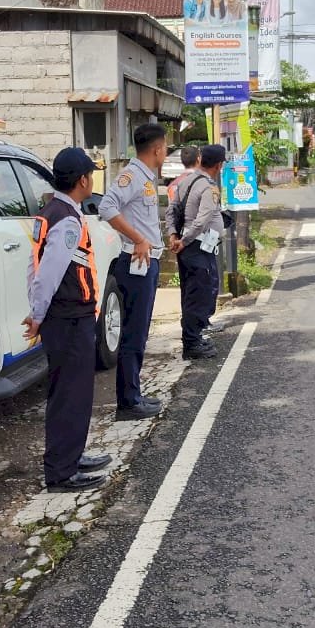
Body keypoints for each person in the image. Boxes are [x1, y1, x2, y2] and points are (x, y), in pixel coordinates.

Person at [23, 147, 112, 492]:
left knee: (73, 392)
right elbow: (48, 273)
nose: (92, 179)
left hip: (66, 317)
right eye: (91, 174)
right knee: (70, 395)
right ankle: (61, 471)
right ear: (82, 180)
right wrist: (37, 314)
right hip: (68, 317)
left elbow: (34, 267)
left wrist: (36, 310)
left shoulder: (52, 212)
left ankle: (71, 455)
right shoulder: (68, 221)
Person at [99, 123, 168, 419]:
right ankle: (127, 403)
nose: (166, 152)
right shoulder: (132, 175)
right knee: (134, 335)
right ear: (157, 149)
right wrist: (139, 239)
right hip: (135, 264)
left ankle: (134, 394)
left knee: (139, 334)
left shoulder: (145, 176)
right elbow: (107, 206)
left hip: (146, 263)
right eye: (165, 147)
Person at [166, 143, 227, 360]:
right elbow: (201, 220)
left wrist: (174, 235)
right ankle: (191, 343)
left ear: (200, 160)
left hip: (188, 246)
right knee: (199, 294)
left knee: (191, 293)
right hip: (198, 247)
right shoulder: (209, 188)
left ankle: (194, 337)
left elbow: (172, 209)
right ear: (219, 165)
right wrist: (183, 240)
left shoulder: (186, 181)